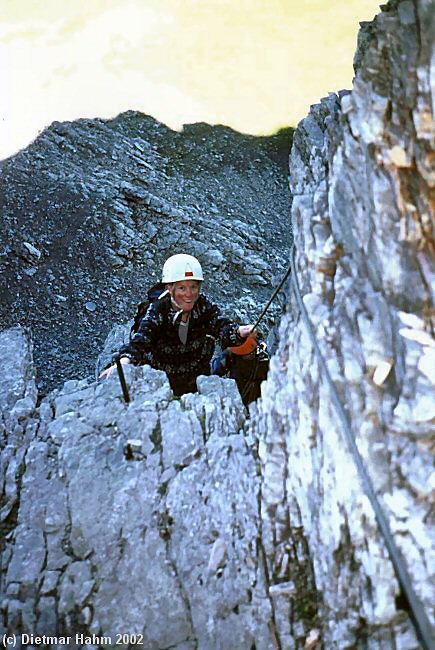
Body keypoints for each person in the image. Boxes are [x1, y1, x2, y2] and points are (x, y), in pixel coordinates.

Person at [99, 253, 255, 396]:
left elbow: (221, 326)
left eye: (194, 287)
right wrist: (126, 359)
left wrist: (239, 331)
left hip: (197, 377)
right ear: (169, 288)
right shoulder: (158, 310)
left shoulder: (202, 306)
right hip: (162, 381)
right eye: (182, 288)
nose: (189, 294)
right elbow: (142, 339)